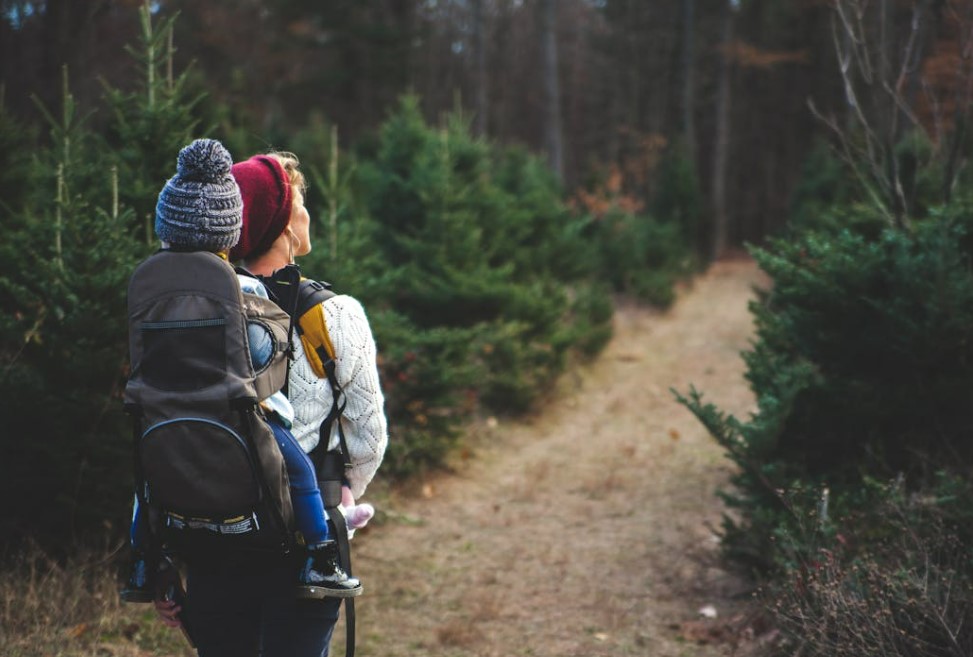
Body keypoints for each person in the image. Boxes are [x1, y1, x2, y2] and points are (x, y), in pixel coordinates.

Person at [154, 149, 389, 657]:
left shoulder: (198, 309)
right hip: (301, 546)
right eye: (300, 201)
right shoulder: (334, 314)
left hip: (211, 537)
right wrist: (342, 493)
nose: (307, 211)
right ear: (283, 222)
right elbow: (369, 436)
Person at [121, 137, 362, 604]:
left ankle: (142, 561)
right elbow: (261, 349)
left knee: (145, 480)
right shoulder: (241, 286)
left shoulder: (149, 286)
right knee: (299, 470)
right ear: (229, 232)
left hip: (162, 408)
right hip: (236, 409)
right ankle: (321, 556)